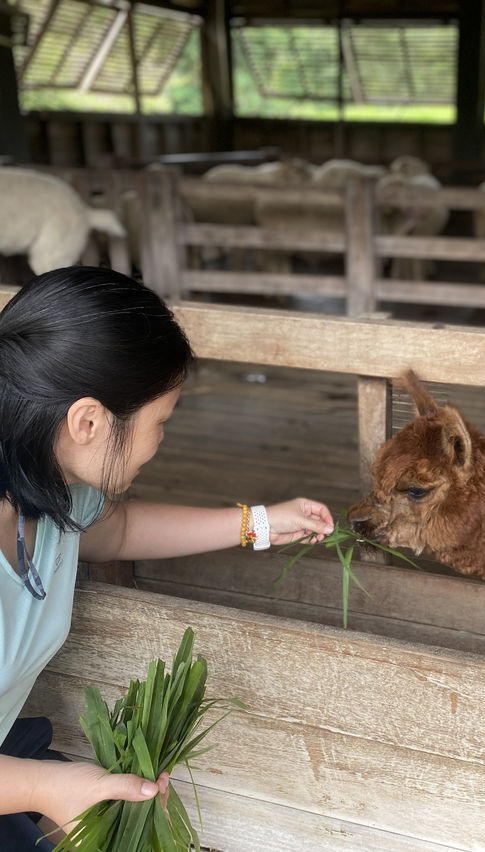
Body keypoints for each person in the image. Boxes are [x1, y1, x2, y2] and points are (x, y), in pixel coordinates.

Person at [0, 266, 335, 850]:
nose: (161, 441)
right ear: (88, 421)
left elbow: (114, 529)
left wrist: (257, 522)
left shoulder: (46, 481)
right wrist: (44, 788)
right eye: (162, 422)